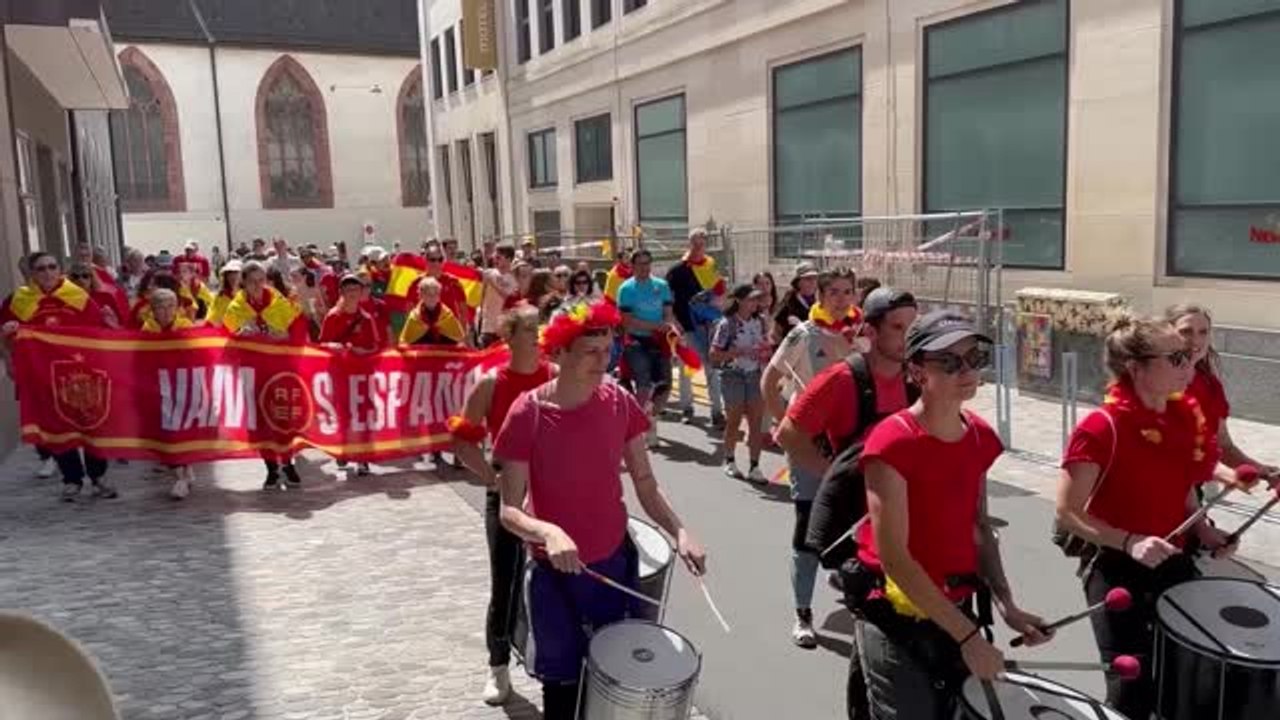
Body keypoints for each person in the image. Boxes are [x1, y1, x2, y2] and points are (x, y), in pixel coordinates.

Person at [493, 300, 707, 720]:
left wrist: (680, 531)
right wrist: (548, 533)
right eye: (590, 351)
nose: (603, 360)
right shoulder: (528, 413)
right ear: (558, 353)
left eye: (607, 349)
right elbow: (508, 510)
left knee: (613, 681)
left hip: (613, 565)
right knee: (563, 688)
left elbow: (645, 483)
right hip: (556, 577)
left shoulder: (618, 401)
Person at [851, 310, 1049, 719]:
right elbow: (896, 560)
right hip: (898, 620)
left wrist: (1007, 604)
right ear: (917, 372)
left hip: (957, 611)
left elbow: (978, 529)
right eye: (949, 362)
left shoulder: (979, 436)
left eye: (974, 357)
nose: (967, 370)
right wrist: (971, 638)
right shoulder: (892, 443)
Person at [1055, 313, 1248, 719]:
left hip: (1171, 561)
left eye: (1189, 355)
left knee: (1187, 681)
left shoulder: (1179, 420)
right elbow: (1068, 513)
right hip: (1114, 568)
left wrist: (1204, 531)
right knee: (1131, 692)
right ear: (1136, 368)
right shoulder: (1100, 428)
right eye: (1176, 357)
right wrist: (1130, 541)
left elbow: (1181, 492)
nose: (1189, 363)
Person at [770, 283, 916, 654]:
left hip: (886, 491)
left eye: (912, 327)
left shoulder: (917, 378)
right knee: (807, 541)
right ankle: (803, 613)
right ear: (872, 330)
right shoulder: (839, 376)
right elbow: (788, 431)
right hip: (836, 476)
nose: (907, 337)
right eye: (898, 328)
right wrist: (830, 473)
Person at [449, 305, 554, 706]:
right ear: (509, 337)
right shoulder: (491, 383)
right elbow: (463, 439)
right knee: (505, 580)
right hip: (508, 490)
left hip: (551, 491)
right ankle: (497, 667)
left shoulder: (554, 376)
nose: (536, 335)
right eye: (528, 329)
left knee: (554, 578)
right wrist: (493, 480)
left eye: (538, 328)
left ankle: (554, 666)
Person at [0, 252, 114, 501]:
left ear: (60, 269)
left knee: (91, 425)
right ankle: (71, 479)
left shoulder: (77, 296)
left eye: (53, 267)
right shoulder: (18, 301)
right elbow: (7, 340)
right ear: (32, 273)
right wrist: (7, 339)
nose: (48, 272)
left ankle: (98, 477)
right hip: (44, 376)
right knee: (56, 427)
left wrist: (110, 323)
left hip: (81, 373)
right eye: (41, 268)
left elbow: (98, 332)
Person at [1166, 304, 1279, 484]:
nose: (1196, 340)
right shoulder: (1154, 382)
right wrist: (1225, 475)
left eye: (1203, 332)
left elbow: (1223, 446)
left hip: (1192, 487)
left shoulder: (1210, 385)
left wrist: (1261, 470)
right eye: (1186, 331)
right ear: (1168, 334)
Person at [221, 260, 309, 489]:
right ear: (244, 284)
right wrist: (242, 334)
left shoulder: (280, 302)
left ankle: (288, 464)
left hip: (280, 370)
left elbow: (298, 332)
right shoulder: (235, 308)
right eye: (252, 282)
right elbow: (227, 341)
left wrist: (282, 337)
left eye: (261, 280)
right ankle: (271, 468)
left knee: (283, 418)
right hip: (253, 372)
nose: (258, 285)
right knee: (259, 422)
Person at [320, 273, 387, 477]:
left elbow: (376, 347)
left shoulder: (367, 319)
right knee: (344, 414)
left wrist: (361, 352)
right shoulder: (332, 316)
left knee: (364, 414)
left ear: (361, 293)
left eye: (355, 290)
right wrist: (336, 347)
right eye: (348, 290)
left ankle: (363, 457)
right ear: (341, 293)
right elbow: (322, 344)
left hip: (362, 374)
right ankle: (344, 448)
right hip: (340, 373)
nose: (352, 294)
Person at [141, 289, 199, 499]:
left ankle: (182, 477)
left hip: (182, 387)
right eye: (160, 307)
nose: (165, 312)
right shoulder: (147, 329)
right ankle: (181, 474)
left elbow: (197, 354)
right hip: (158, 389)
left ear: (177, 308)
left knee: (182, 431)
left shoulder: (185, 327)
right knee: (166, 434)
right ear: (152, 310)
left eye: (169, 307)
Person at [710, 284, 770, 482]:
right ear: (739, 300)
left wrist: (765, 352)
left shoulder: (761, 322)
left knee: (756, 421)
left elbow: (765, 345)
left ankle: (754, 466)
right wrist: (735, 352)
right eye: (751, 299)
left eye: (756, 299)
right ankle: (729, 460)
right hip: (732, 374)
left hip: (755, 374)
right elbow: (714, 355)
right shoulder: (727, 324)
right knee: (734, 420)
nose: (755, 303)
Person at [616, 249, 677, 448]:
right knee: (644, 382)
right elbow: (627, 321)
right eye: (640, 263)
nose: (644, 267)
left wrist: (669, 328)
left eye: (647, 263)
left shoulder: (662, 286)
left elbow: (668, 313)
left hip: (660, 341)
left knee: (665, 386)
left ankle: (649, 417)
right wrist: (654, 326)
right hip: (636, 341)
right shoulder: (626, 289)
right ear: (632, 266)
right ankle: (640, 428)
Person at [667, 228, 726, 427]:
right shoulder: (677, 270)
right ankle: (687, 408)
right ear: (689, 244)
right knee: (687, 370)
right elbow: (668, 302)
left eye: (702, 243)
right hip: (686, 327)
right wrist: (675, 326)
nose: (699, 247)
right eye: (696, 243)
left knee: (712, 369)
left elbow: (721, 294)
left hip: (710, 326)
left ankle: (717, 412)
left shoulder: (712, 266)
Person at [399, 277, 468, 347]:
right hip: (422, 356)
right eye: (428, 294)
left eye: (435, 293)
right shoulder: (414, 317)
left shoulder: (448, 316)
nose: (432, 297)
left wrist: (460, 345)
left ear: (439, 296)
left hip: (444, 356)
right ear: (421, 295)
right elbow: (404, 343)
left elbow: (461, 341)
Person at [479, 246, 518, 346]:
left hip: (505, 329)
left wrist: (493, 284)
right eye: (494, 257)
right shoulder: (488, 273)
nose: (495, 260)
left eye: (499, 258)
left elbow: (509, 299)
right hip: (487, 327)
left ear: (509, 259)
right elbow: (480, 297)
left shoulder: (515, 278)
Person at [773, 264, 820, 344]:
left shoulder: (817, 305)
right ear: (798, 282)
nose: (813, 283)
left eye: (815, 279)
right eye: (808, 279)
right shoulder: (788, 304)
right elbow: (776, 333)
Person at [206, 260, 243, 327]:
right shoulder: (220, 296)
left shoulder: (249, 295)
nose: (233, 276)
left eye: (236, 272)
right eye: (230, 273)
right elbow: (212, 317)